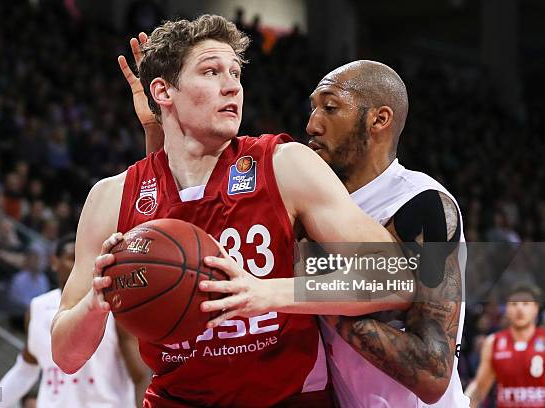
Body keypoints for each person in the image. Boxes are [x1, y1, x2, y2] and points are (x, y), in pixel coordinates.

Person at [52, 15, 415, 407]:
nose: (232, 87)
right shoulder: (112, 197)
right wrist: (96, 301)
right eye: (211, 71)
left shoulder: (284, 165)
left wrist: (265, 292)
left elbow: (399, 279)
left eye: (236, 74)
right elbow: (66, 356)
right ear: (163, 91)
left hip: (288, 400)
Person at [123, 35, 468, 406]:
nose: (312, 124)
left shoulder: (422, 205)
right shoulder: (309, 194)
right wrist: (165, 124)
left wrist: (287, 293)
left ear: (378, 120)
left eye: (330, 108)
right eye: (313, 108)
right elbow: (187, 228)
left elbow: (432, 373)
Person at [0, 234, 148, 408]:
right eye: (72, 258)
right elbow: (25, 369)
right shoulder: (38, 307)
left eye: (88, 258)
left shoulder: (113, 305)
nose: (81, 265)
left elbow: (141, 376)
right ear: (54, 262)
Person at [465, 284, 545, 407]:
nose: (519, 309)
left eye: (525, 304)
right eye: (514, 304)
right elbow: (479, 388)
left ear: (535, 308)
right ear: (506, 309)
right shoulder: (493, 343)